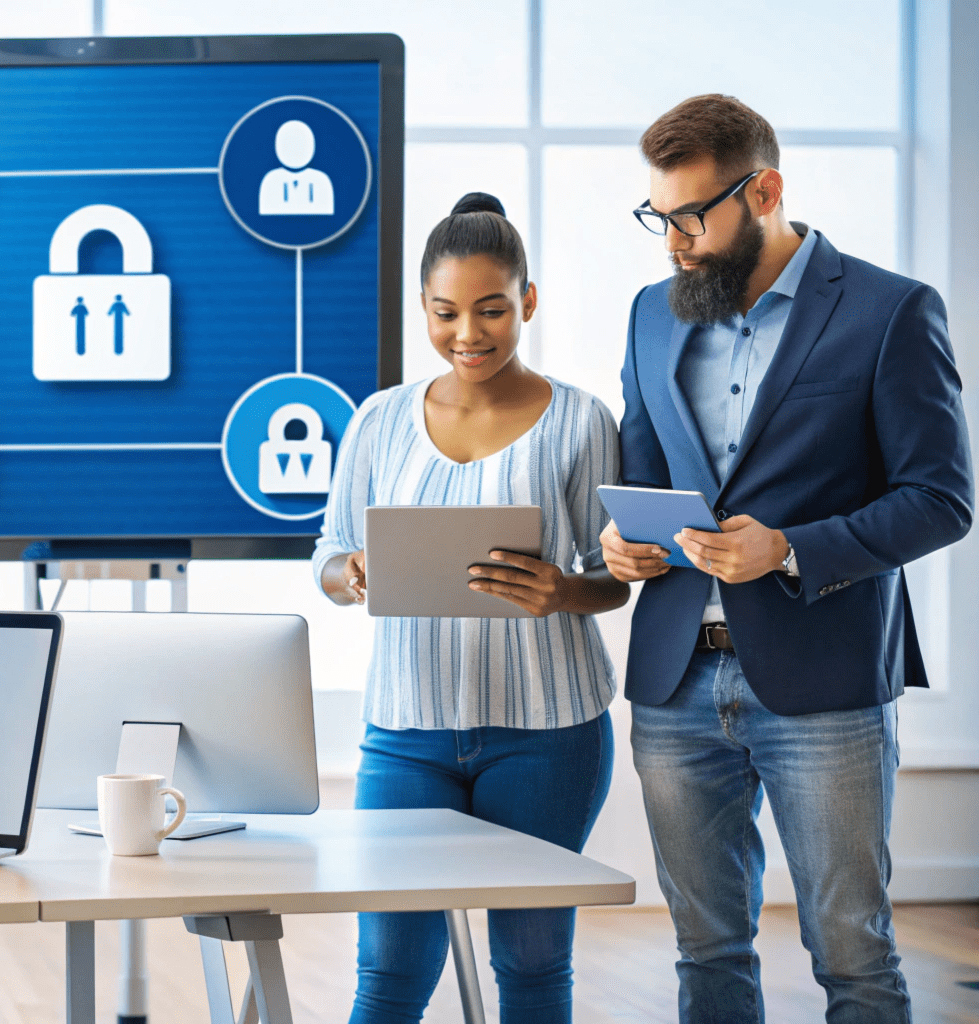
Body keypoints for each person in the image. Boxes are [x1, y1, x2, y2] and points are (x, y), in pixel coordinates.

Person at [601, 94, 972, 1023]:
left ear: (764, 190)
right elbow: (641, 473)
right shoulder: (651, 315)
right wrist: (620, 544)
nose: (674, 243)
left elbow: (942, 500)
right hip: (675, 677)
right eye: (660, 217)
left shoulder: (890, 311)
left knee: (853, 954)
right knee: (706, 951)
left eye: (691, 217)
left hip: (826, 683)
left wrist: (790, 550)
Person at [315, 193, 626, 1024]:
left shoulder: (582, 420)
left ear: (527, 301)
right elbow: (326, 557)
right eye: (447, 313)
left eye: (492, 310)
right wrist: (352, 571)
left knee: (529, 965)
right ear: (423, 306)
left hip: (548, 733)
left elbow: (618, 574)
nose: (469, 334)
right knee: (388, 969)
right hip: (406, 733)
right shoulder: (378, 421)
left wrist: (564, 589)